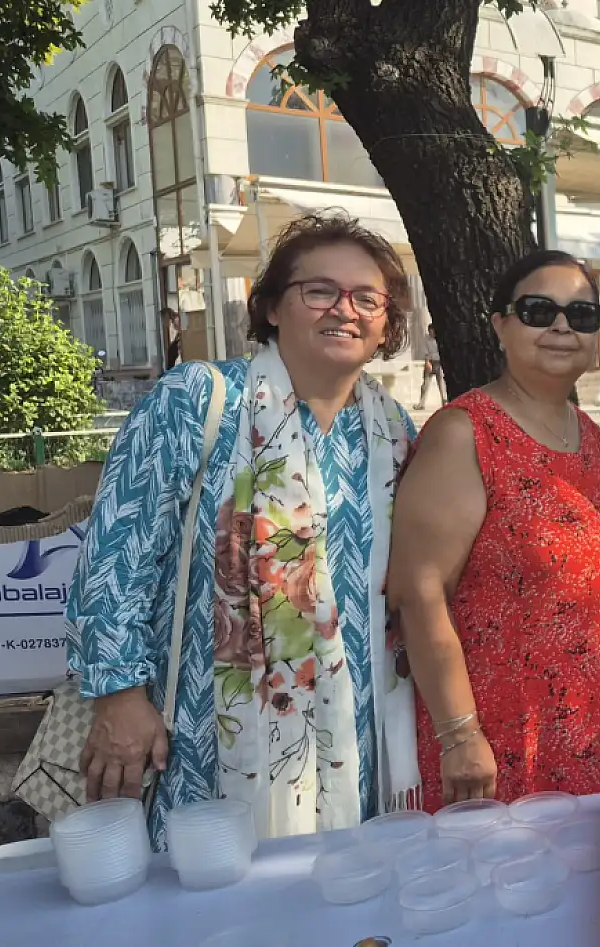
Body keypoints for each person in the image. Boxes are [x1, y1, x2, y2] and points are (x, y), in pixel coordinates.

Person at [67, 213, 420, 847]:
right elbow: (115, 558)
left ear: (386, 325)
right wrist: (118, 698)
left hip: (355, 738)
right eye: (320, 290)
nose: (345, 309)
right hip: (200, 736)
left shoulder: (394, 431)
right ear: (272, 308)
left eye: (368, 298)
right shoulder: (198, 401)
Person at [390, 251, 600, 806]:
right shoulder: (466, 434)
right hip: (504, 746)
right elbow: (418, 591)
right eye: (539, 310)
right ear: (500, 325)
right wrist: (460, 734)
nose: (561, 326)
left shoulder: (593, 439)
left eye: (581, 316)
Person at [415, 322, 446, 410]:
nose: (431, 333)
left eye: (432, 331)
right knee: (425, 384)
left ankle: (444, 401)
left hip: (439, 362)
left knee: (441, 383)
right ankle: (421, 403)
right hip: (430, 361)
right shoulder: (426, 339)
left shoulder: (439, 339)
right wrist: (427, 362)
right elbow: (425, 352)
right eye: (430, 331)